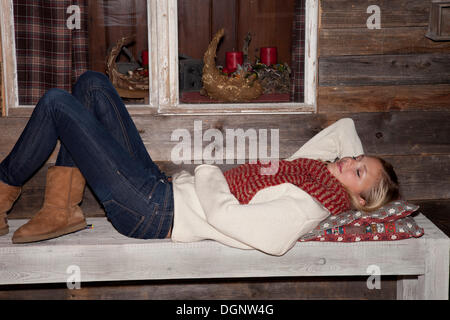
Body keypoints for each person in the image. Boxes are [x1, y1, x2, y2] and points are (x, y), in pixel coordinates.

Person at [0, 71, 399, 255]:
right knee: (92, 85)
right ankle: (61, 210)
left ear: (359, 201)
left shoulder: (308, 205)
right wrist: (347, 169)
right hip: (160, 188)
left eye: (358, 170)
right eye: (356, 157)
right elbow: (345, 129)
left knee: (57, 103)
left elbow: (245, 228)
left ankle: (1, 192)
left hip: (152, 214)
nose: (349, 158)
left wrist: (209, 175)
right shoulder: (311, 171)